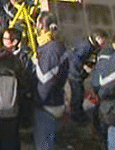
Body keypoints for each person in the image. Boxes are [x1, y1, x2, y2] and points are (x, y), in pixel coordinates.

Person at [33, 12, 69, 150]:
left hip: (47, 106)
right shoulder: (55, 47)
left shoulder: (50, 50)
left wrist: (37, 101)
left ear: (41, 26)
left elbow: (45, 80)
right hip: (53, 102)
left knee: (44, 145)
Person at [67, 29, 107, 123]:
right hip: (75, 74)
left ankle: (77, 114)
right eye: (103, 40)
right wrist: (83, 68)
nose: (104, 43)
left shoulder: (89, 45)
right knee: (78, 94)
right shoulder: (86, 46)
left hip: (76, 73)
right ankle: (77, 116)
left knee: (78, 93)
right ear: (98, 38)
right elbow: (75, 58)